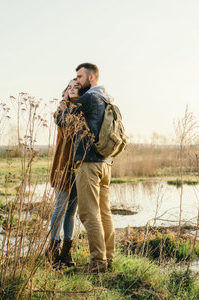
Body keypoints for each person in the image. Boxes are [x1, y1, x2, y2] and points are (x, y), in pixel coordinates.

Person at [55, 63, 115, 273]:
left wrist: (64, 101)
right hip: (106, 164)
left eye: (79, 77)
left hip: (89, 165)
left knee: (89, 215)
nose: (77, 81)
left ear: (91, 78)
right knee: (104, 213)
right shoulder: (107, 98)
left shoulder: (89, 98)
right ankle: (109, 257)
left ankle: (98, 263)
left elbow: (62, 120)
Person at [46, 79, 81, 267]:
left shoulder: (84, 108)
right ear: (65, 91)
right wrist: (66, 101)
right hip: (63, 165)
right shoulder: (62, 109)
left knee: (71, 212)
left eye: (77, 87)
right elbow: (63, 121)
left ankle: (66, 253)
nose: (73, 89)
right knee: (60, 208)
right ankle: (52, 250)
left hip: (78, 167)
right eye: (70, 87)